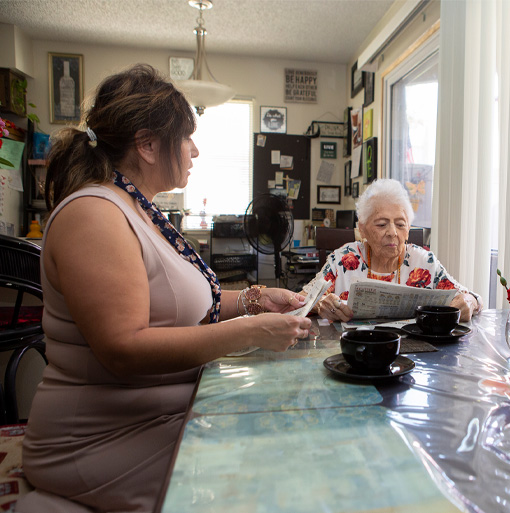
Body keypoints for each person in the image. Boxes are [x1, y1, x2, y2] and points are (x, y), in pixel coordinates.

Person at [17, 64, 312, 513]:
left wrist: (253, 299)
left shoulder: (138, 208)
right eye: (186, 138)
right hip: (102, 440)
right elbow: (124, 347)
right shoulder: (94, 215)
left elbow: (180, 303)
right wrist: (252, 331)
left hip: (158, 417)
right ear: (148, 145)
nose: (195, 150)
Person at [306, 178, 482, 322]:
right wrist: (320, 303)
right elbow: (302, 299)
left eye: (400, 224)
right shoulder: (343, 259)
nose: (392, 233)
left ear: (408, 229)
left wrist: (468, 302)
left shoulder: (423, 262)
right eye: (382, 224)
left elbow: (470, 297)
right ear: (363, 229)